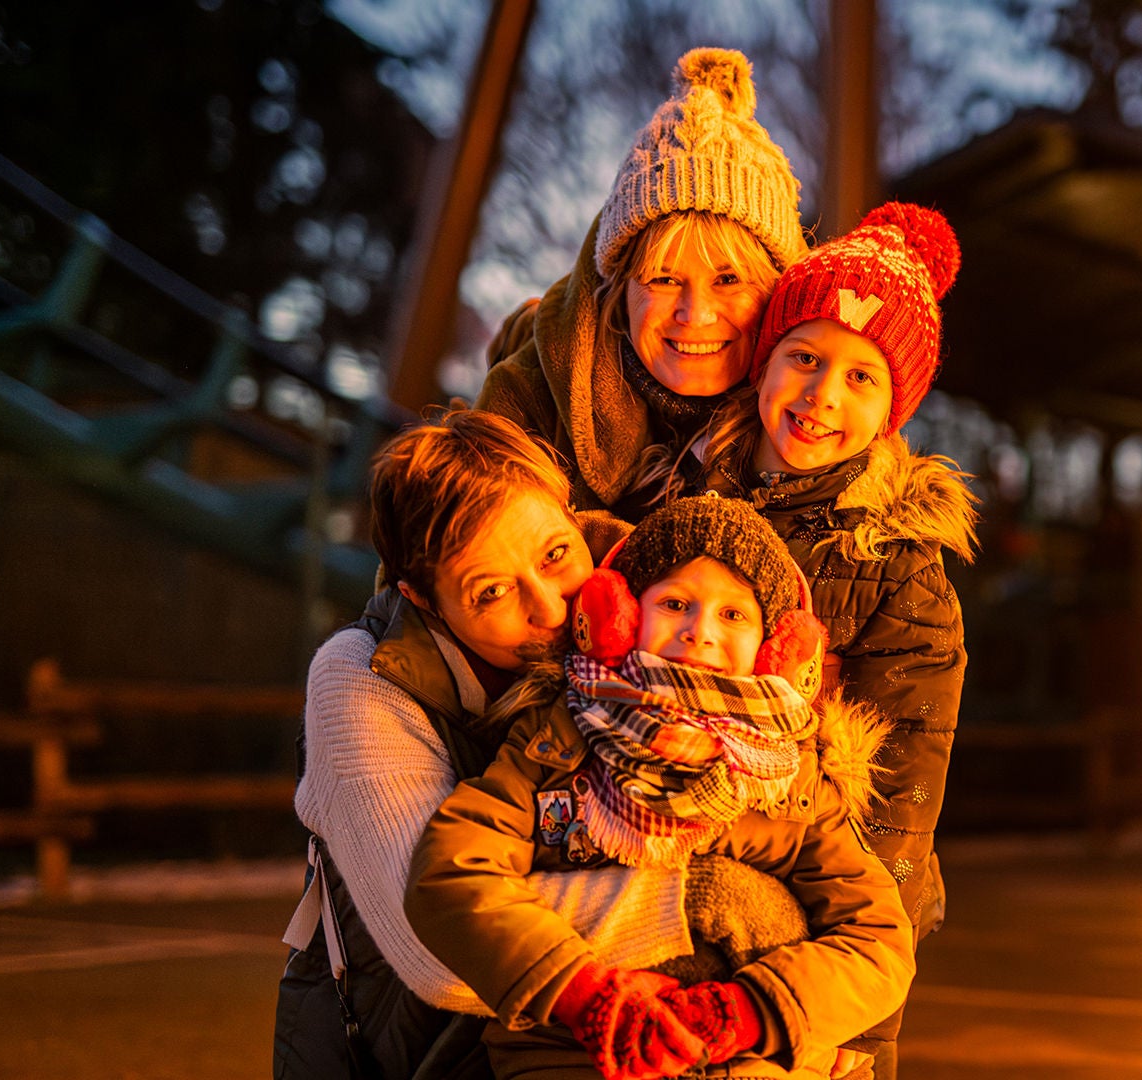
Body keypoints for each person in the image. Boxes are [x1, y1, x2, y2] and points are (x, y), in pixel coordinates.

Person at [273, 411, 807, 1080]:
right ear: (423, 599)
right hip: (411, 1056)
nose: (551, 609)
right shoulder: (360, 678)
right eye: (492, 592)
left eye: (555, 554)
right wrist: (701, 900)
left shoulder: (658, 604)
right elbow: (435, 950)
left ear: (570, 514)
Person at [406, 496, 912, 1080]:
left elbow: (876, 937)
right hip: (574, 1052)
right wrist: (584, 994)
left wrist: (747, 1012)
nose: (700, 632)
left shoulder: (793, 775)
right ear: (619, 617)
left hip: (749, 1054)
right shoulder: (553, 742)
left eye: (733, 614)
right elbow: (452, 874)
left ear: (776, 647)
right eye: (675, 604)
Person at [694, 203, 979, 1074]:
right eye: (805, 358)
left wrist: (860, 1026)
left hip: (816, 892)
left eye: (862, 377)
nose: (822, 395)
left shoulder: (898, 569)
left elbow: (901, 803)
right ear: (765, 361)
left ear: (894, 409)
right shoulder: (688, 498)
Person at [478, 47, 807, 521]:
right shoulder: (530, 397)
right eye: (664, 278)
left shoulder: (824, 415)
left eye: (728, 279)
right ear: (619, 290)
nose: (695, 314)